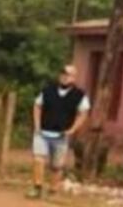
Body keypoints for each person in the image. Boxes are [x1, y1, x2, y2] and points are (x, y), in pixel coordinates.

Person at [28, 64, 90, 199]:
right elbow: (37, 106)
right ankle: (37, 187)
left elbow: (83, 113)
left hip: (61, 134)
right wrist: (37, 125)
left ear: (74, 78)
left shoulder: (80, 95)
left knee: (57, 165)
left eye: (68, 74)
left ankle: (53, 190)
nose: (64, 76)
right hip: (43, 132)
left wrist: (73, 129)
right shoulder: (48, 90)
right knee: (38, 158)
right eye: (63, 73)